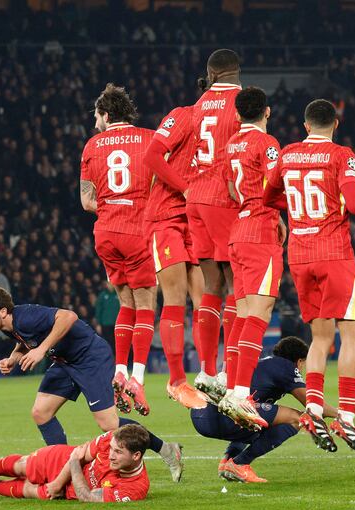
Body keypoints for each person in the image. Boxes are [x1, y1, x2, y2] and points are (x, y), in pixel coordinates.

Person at [263, 99, 355, 454]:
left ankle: (313, 409)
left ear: (305, 125)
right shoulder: (342, 155)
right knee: (351, 334)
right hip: (334, 255)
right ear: (336, 124)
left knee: (319, 337)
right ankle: (346, 416)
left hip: (300, 255)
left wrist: (296, 211)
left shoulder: (288, 154)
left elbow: (269, 195)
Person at [0, 287, 183, 479]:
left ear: (2, 312)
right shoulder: (9, 326)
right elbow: (26, 340)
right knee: (41, 412)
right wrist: (14, 358)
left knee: (108, 424)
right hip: (65, 362)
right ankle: (61, 470)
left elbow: (68, 316)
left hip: (90, 358)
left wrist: (41, 350)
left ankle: (167, 450)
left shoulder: (25, 316)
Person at [80, 84, 180, 416]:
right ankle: (137, 377)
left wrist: (111, 206)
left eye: (96, 116)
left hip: (106, 232)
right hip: (139, 230)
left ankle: (119, 370)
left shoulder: (92, 145)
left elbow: (86, 200)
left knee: (125, 303)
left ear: (107, 115)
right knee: (146, 303)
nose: (95, 122)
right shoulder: (151, 138)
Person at [217, 87, 285, 430]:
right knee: (260, 313)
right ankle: (242, 392)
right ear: (267, 112)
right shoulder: (267, 143)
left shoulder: (230, 144)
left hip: (238, 231)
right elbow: (275, 183)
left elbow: (231, 190)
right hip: (260, 232)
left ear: (238, 115)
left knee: (243, 313)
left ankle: (233, 385)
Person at [191, 337, 337, 482]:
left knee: (255, 420)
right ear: (299, 361)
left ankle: (228, 463)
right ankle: (239, 463)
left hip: (200, 414)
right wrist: (341, 415)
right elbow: (313, 404)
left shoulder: (267, 363)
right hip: (221, 415)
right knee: (297, 419)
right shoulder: (286, 367)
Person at [142, 102, 209, 409]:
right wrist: (186, 189)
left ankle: (208, 375)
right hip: (166, 217)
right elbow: (152, 155)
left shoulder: (224, 126)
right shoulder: (184, 115)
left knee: (206, 301)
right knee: (175, 299)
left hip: (196, 220)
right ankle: (176, 380)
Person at [186, 49, 243, 402]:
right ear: (236, 72)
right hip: (226, 197)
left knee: (211, 286)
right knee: (238, 284)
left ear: (211, 74)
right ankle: (230, 370)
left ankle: (207, 370)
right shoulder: (242, 102)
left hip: (195, 197)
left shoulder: (196, 106)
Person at [0, 424, 151, 503]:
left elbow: (87, 497)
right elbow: (79, 455)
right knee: (23, 465)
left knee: (33, 491)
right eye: (112, 449)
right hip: (63, 460)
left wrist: (59, 483)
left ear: (136, 456)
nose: (111, 455)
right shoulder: (109, 439)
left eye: (118, 452)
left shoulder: (136, 488)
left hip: (72, 481)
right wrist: (61, 478)